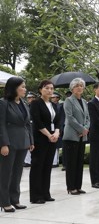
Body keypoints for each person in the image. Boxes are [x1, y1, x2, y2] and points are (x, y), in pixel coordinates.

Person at [0, 77, 34, 212]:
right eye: (22, 87)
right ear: (14, 88)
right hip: (9, 142)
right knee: (6, 173)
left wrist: (30, 140)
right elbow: (0, 124)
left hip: (23, 142)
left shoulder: (24, 104)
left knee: (17, 173)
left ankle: (15, 199)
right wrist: (3, 144)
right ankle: (4, 201)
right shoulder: (3, 103)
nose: (25, 89)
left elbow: (27, 124)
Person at [29, 80, 61, 204]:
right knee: (38, 166)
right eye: (46, 88)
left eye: (51, 88)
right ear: (40, 89)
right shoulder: (36, 103)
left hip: (52, 138)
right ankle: (36, 196)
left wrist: (56, 133)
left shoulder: (53, 105)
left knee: (47, 166)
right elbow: (37, 122)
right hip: (40, 138)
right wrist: (48, 134)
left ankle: (45, 193)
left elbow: (58, 120)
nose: (49, 90)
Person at [62, 78, 90, 195]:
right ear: (72, 88)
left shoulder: (84, 102)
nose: (79, 88)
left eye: (81, 86)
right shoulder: (68, 100)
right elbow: (70, 117)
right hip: (71, 136)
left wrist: (86, 129)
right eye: (77, 85)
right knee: (71, 163)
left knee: (79, 163)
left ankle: (78, 186)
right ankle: (71, 187)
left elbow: (88, 118)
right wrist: (81, 129)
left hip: (82, 136)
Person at [23, 91, 37, 168]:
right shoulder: (26, 106)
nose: (29, 99)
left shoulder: (36, 106)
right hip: (28, 127)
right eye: (28, 98)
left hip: (35, 127)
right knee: (27, 144)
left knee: (34, 145)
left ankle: (32, 160)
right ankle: (27, 161)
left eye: (31, 97)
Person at [50, 92, 64, 168]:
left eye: (55, 97)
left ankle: (55, 162)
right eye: (52, 97)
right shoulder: (50, 105)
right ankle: (53, 161)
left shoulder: (61, 106)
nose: (54, 99)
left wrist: (59, 129)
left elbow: (61, 119)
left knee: (56, 145)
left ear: (58, 98)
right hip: (51, 127)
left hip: (58, 127)